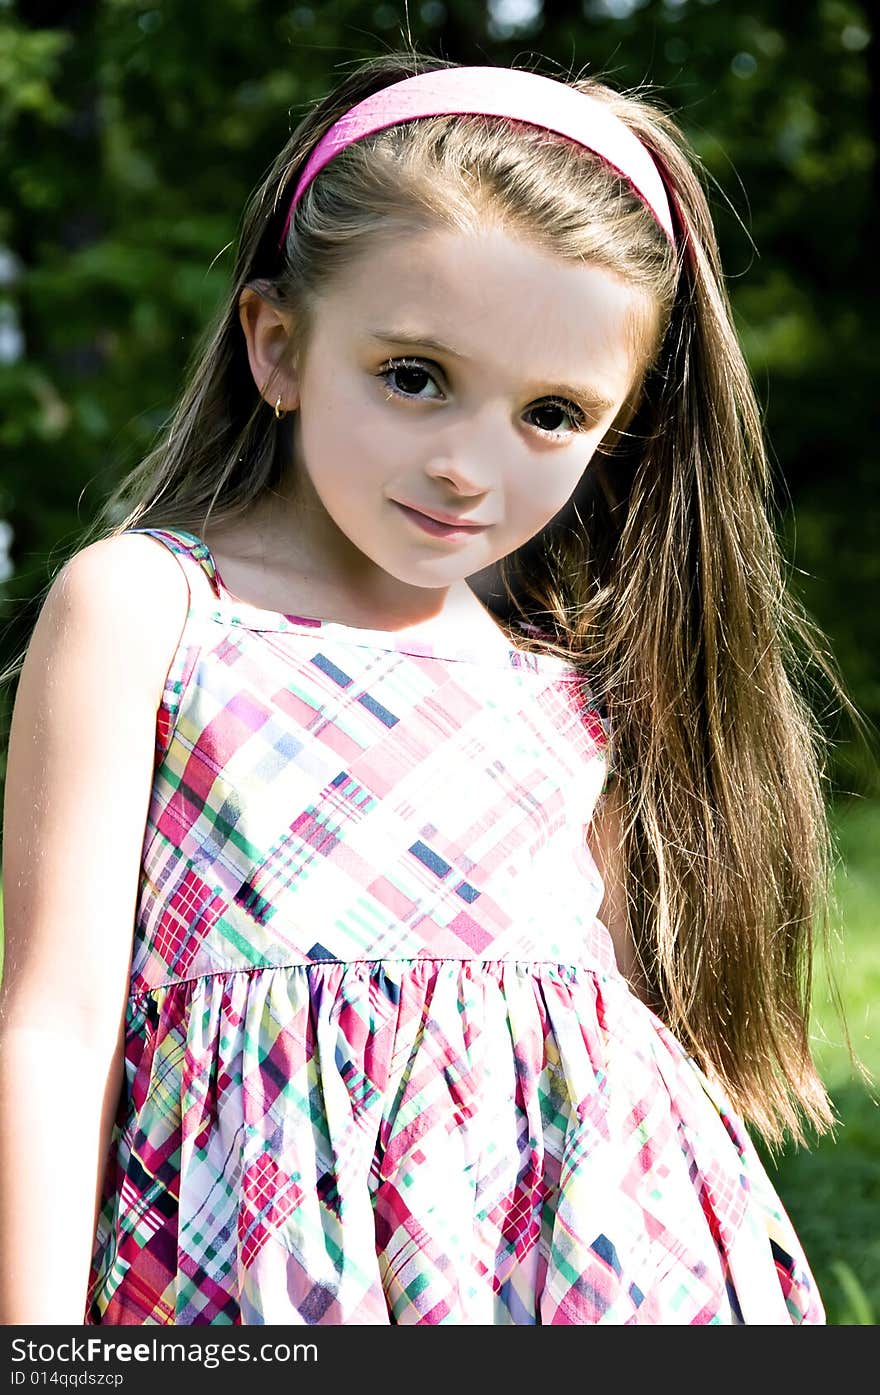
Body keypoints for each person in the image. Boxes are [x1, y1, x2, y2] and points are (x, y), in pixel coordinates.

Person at [0, 51, 844, 1326]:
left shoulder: (568, 681)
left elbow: (623, 1072)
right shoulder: (156, 609)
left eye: (552, 413)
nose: (466, 466)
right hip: (266, 1282)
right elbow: (57, 1033)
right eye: (412, 377)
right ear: (278, 346)